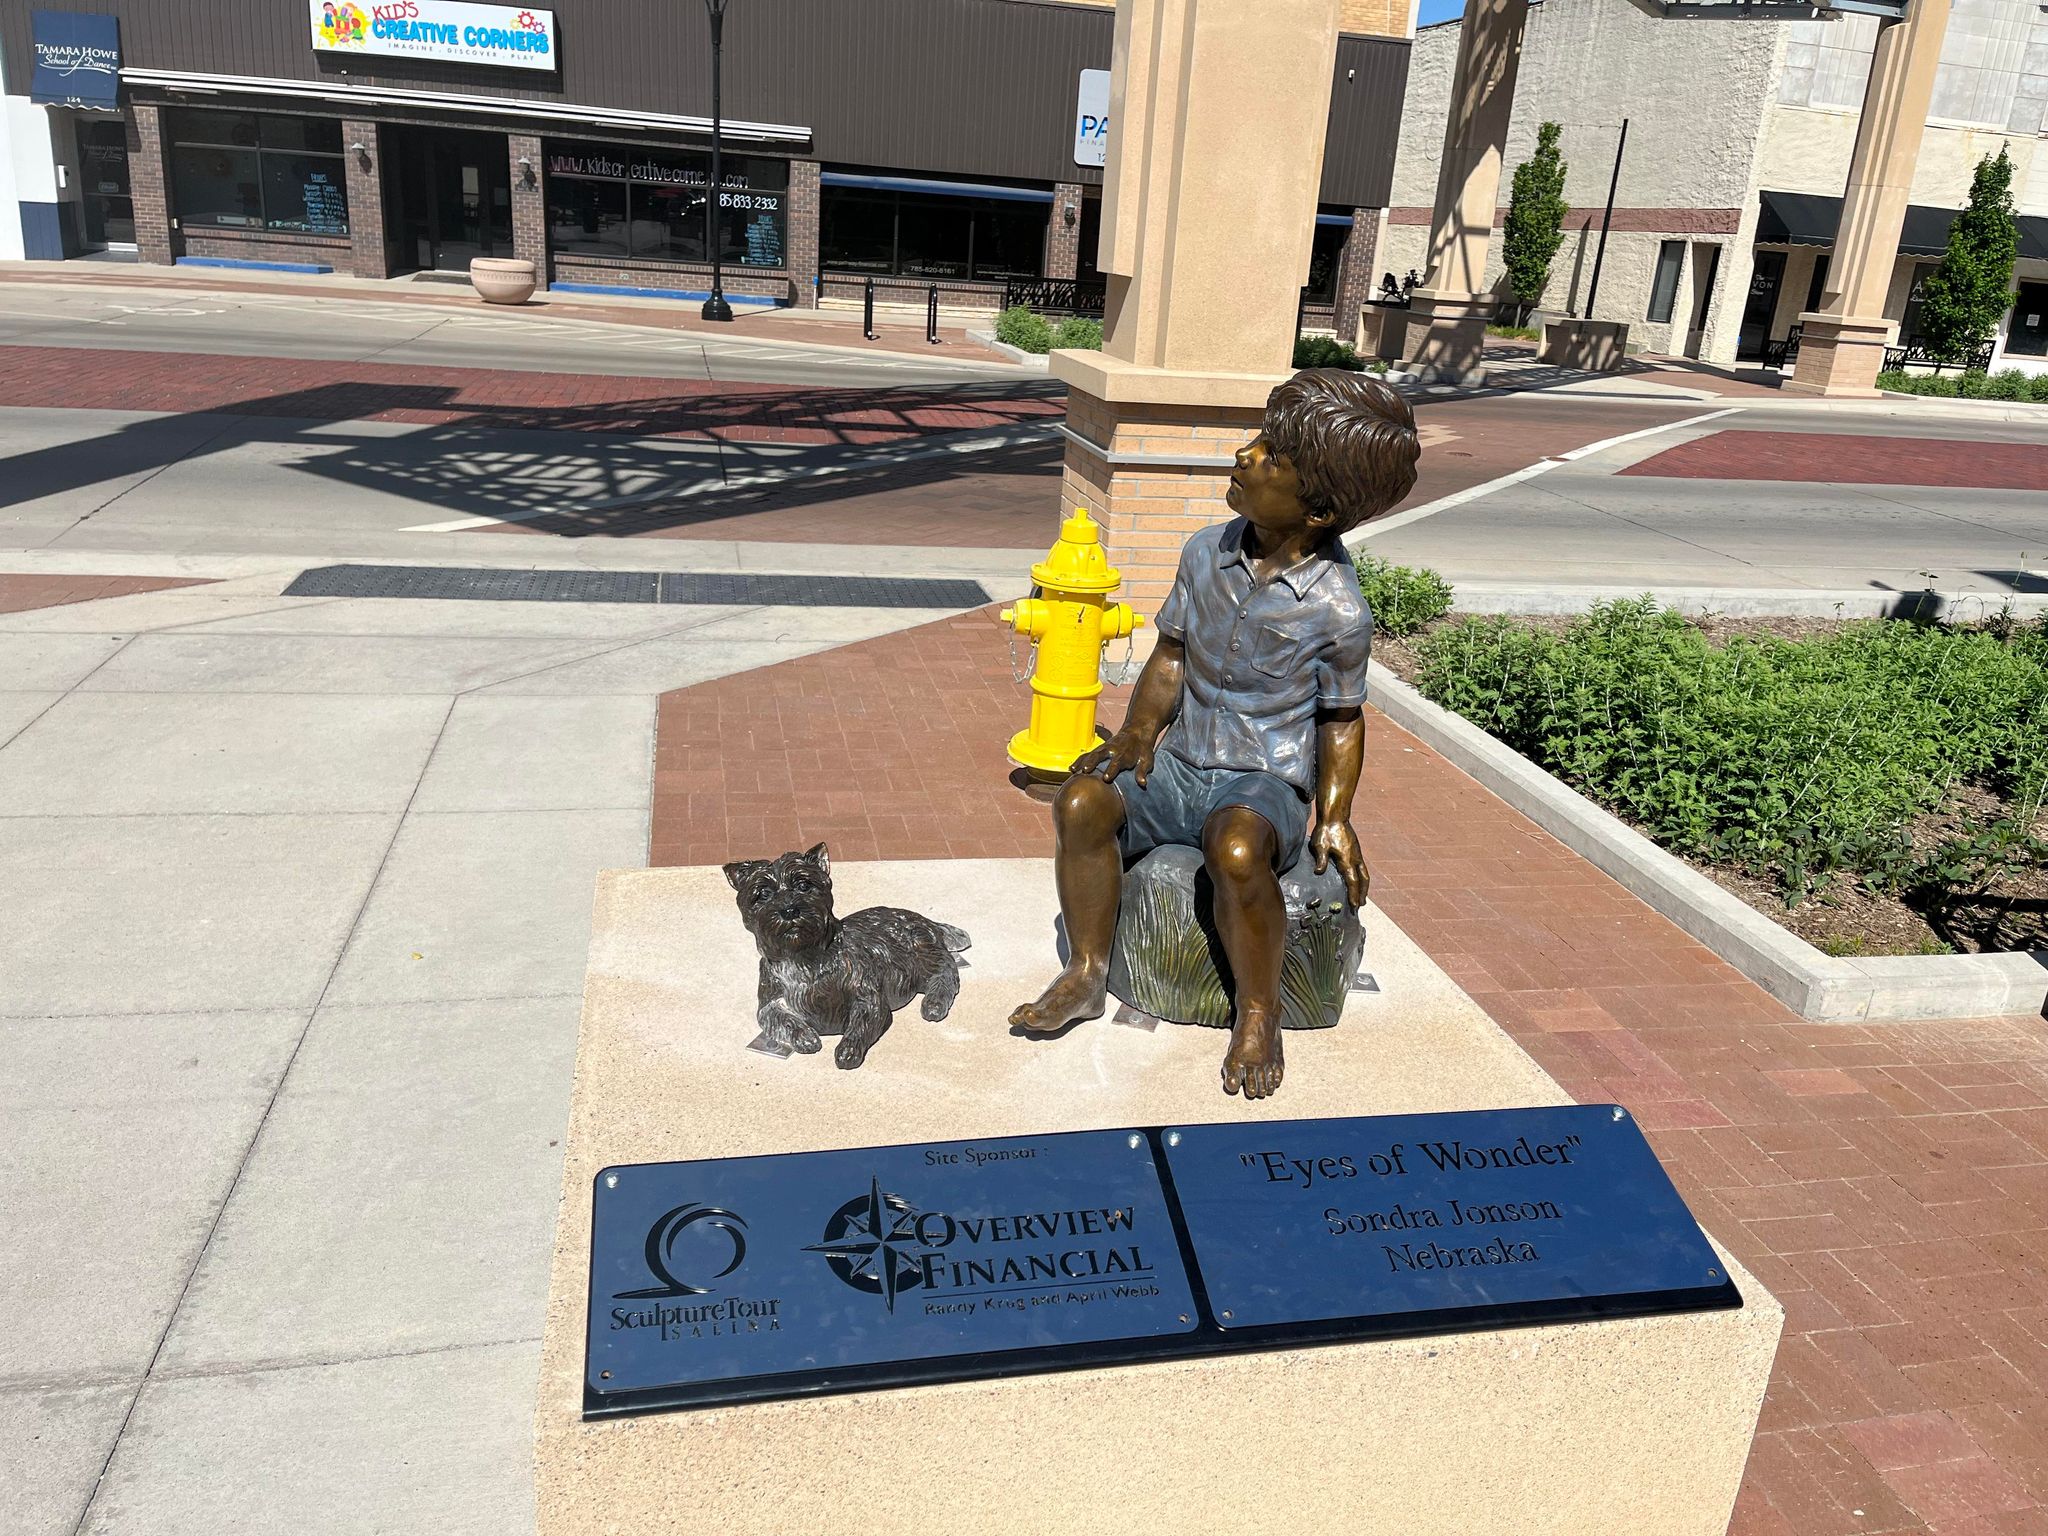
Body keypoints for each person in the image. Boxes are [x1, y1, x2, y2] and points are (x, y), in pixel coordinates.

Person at [1009, 370, 1421, 1099]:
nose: (1244, 455)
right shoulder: (1204, 552)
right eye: (1258, 441)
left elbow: (1341, 720)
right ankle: (1087, 971)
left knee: (1235, 852)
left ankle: (1258, 1013)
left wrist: (1335, 815)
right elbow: (1171, 653)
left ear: (1319, 508)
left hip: (1261, 781)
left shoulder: (1339, 609)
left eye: (1272, 456)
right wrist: (1138, 730)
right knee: (1081, 802)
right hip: (1180, 765)